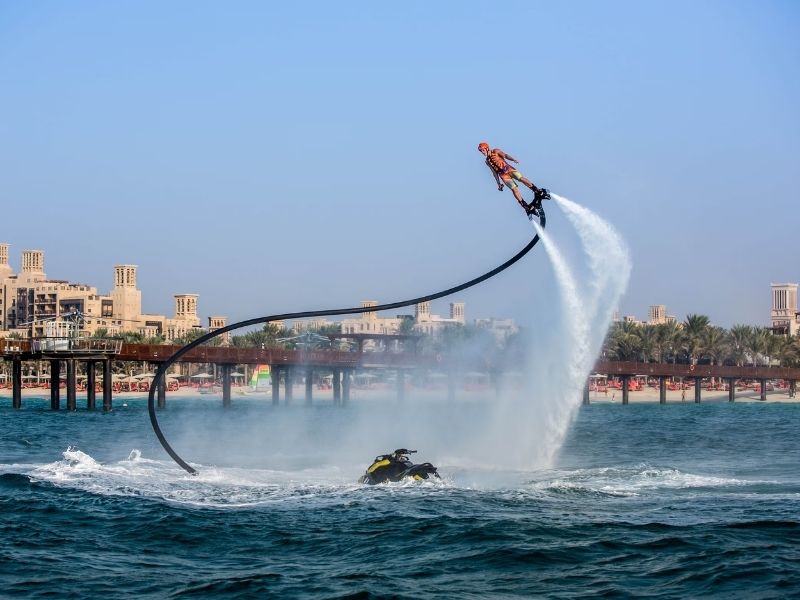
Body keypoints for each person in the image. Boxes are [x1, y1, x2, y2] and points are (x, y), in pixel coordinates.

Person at [478, 142, 548, 216]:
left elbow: (505, 155)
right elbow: (494, 173)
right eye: (481, 151)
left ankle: (537, 191)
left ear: (486, 148)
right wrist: (498, 183)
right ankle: (526, 207)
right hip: (503, 176)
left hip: (509, 169)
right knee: (514, 189)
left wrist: (513, 159)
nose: (482, 152)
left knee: (521, 178)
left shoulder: (495, 151)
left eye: (482, 150)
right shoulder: (487, 161)